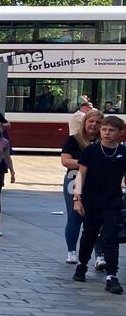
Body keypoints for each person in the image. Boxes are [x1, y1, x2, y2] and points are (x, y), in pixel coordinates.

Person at [72, 114, 125, 294]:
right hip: (91, 201)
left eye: (111, 130)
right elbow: (81, 175)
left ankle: (112, 276)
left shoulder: (123, 153)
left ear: (120, 133)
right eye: (104, 129)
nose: (106, 133)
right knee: (89, 235)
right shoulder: (91, 151)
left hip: (113, 201)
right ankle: (81, 265)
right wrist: (77, 198)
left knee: (110, 238)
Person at [61, 109, 103, 265]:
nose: (94, 125)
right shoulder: (74, 140)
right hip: (73, 181)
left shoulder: (104, 141)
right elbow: (65, 160)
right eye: (91, 121)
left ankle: (100, 255)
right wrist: (85, 164)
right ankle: (72, 252)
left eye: (98, 123)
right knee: (74, 217)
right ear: (84, 122)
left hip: (97, 183)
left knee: (98, 220)